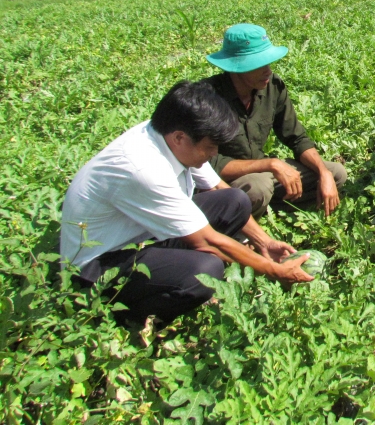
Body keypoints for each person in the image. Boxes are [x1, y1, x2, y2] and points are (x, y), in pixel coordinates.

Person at [61, 81, 313, 326]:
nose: (214, 154)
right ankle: (127, 316)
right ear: (180, 137)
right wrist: (274, 270)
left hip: (138, 238)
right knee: (206, 270)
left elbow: (219, 188)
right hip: (95, 268)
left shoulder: (168, 135)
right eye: (210, 147)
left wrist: (264, 242)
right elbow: (207, 241)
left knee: (235, 200)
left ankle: (168, 268)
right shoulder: (144, 168)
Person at [203, 24, 346, 218]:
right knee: (257, 189)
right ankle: (235, 216)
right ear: (237, 67)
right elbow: (208, 164)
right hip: (224, 182)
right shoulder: (208, 98)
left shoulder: (272, 87)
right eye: (259, 64)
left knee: (336, 173)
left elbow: (297, 138)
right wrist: (271, 164)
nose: (268, 71)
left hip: (264, 173)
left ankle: (262, 209)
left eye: (268, 62)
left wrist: (323, 172)